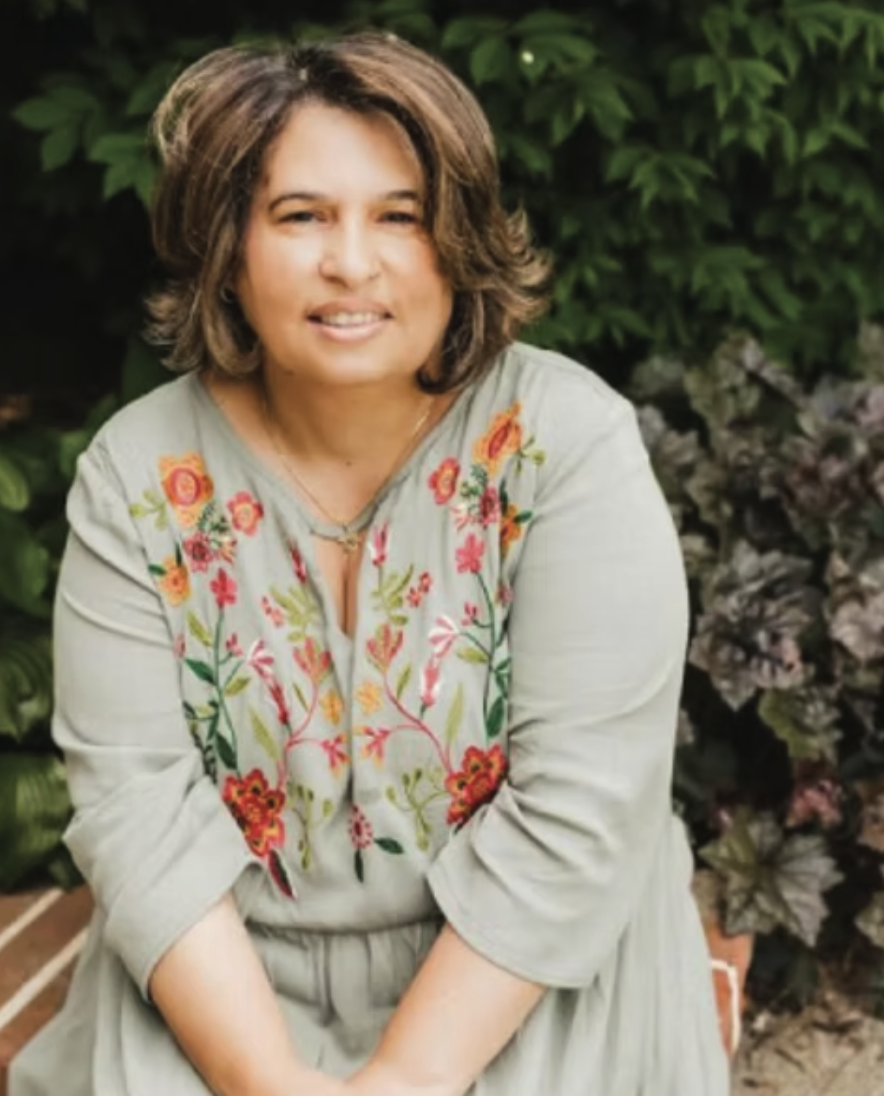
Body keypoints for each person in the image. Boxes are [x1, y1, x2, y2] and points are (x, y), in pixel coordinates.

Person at [10, 31, 730, 1096]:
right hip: (225, 982)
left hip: (526, 962)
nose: (352, 262)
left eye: (399, 215)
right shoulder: (136, 474)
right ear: (228, 246)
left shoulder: (566, 443)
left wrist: (401, 1079)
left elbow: (577, 816)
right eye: (300, 216)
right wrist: (267, 1081)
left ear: (458, 241)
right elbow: (139, 818)